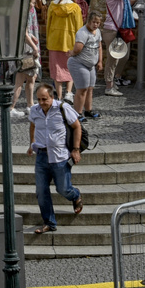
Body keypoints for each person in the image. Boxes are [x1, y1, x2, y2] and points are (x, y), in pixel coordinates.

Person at [27, 84, 83, 234]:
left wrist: (76, 150)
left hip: (60, 157)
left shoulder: (63, 108)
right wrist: (32, 143)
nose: (41, 102)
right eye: (38, 99)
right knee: (41, 191)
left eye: (44, 99)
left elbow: (77, 127)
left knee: (63, 189)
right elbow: (32, 125)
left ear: (52, 97)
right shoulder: (35, 110)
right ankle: (49, 222)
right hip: (42, 156)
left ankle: (75, 195)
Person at [100, 0, 145, 95]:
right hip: (112, 30)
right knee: (112, 59)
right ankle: (109, 86)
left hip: (123, 29)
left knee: (124, 56)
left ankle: (114, 79)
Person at [13, 0, 45, 119]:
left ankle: (22, 105)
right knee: (29, 75)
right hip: (32, 15)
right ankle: (29, 105)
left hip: (27, 13)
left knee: (24, 73)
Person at [45, 0, 82, 102]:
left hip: (55, 41)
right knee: (70, 67)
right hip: (70, 41)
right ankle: (69, 93)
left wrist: (48, 38)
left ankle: (59, 96)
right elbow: (79, 27)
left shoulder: (52, 5)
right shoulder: (75, 7)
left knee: (57, 70)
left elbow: (48, 24)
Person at [68, 14, 101, 120]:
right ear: (88, 21)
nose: (96, 25)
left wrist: (100, 61)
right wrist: (72, 53)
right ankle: (77, 114)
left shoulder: (98, 32)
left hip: (90, 65)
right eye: (94, 22)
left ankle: (88, 110)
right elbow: (78, 48)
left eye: (98, 23)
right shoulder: (82, 33)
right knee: (82, 89)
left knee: (90, 88)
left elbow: (99, 47)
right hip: (79, 63)